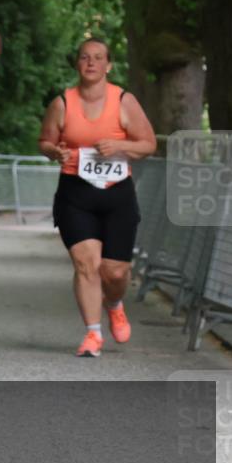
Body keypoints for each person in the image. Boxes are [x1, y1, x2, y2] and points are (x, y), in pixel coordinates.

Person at [38, 37, 156, 357]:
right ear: (77, 64)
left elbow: (148, 144)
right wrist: (56, 152)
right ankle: (93, 334)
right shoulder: (62, 103)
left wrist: (120, 146)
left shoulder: (124, 101)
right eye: (84, 57)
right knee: (86, 264)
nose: (91, 63)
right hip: (75, 192)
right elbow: (45, 142)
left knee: (114, 271)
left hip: (117, 194)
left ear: (108, 65)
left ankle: (115, 304)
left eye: (98, 57)